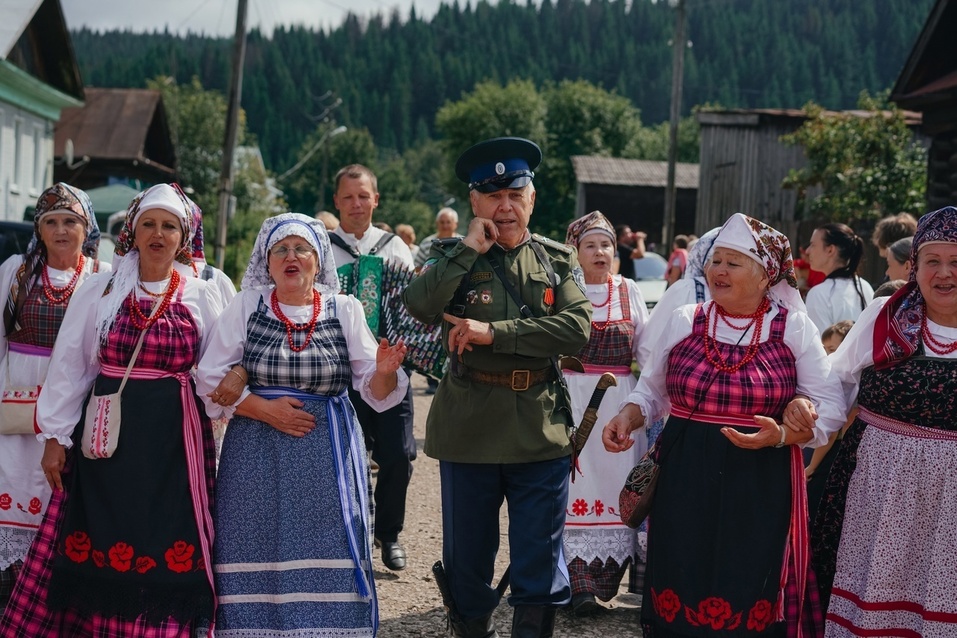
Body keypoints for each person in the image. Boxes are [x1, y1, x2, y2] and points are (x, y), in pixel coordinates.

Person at [603, 213, 846, 637]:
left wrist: (787, 431)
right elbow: (652, 393)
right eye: (715, 261)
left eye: (733, 263)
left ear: (764, 275)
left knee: (747, 572)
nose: (718, 271)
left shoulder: (793, 328)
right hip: (684, 471)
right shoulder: (684, 319)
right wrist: (628, 414)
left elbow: (830, 407)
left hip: (760, 476)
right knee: (681, 566)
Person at [0, 183, 222, 636]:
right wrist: (55, 439)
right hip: (107, 442)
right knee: (101, 530)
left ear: (184, 237)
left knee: (164, 535)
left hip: (173, 443)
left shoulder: (203, 295)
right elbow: (71, 367)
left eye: (169, 226)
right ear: (132, 232)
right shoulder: (101, 290)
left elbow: (218, 370)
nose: (158, 234)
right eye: (148, 225)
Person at [403, 136, 591, 638]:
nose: (505, 206)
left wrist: (495, 333)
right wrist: (468, 250)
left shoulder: (557, 259)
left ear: (532, 198)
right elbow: (418, 306)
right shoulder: (454, 256)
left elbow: (577, 329)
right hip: (469, 429)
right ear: (474, 202)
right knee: (467, 562)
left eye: (516, 193)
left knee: (538, 562)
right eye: (493, 195)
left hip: (539, 428)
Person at [196, 213, 408, 636]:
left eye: (301, 249)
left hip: (324, 451)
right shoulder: (247, 305)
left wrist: (384, 370)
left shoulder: (344, 308)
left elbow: (376, 390)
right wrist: (262, 408)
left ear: (318, 259)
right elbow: (208, 377)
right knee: (255, 536)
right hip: (256, 448)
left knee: (325, 540)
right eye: (281, 250)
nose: (291, 257)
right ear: (267, 261)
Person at [811, 206, 957, 635]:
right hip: (876, 493)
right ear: (915, 266)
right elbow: (836, 384)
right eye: (933, 261)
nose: (944, 273)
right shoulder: (885, 316)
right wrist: (800, 427)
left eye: (956, 262)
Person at [0, 184, 109, 612]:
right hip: (15, 415)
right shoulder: (15, 272)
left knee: (60, 506)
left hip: (74, 411)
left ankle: (52, 611)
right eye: (51, 222)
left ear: (87, 229)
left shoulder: (103, 278)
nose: (61, 230)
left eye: (71, 221)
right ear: (39, 230)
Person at [561, 211, 648, 616]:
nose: (600, 252)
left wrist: (649, 403)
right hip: (571, 403)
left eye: (607, 244)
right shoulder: (560, 288)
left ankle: (607, 583)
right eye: (591, 245)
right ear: (575, 252)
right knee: (572, 490)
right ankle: (575, 586)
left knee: (618, 491)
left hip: (618, 407)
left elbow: (647, 353)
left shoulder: (628, 290)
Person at [330, 164, 416, 572]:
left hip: (391, 370)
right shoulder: (323, 248)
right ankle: (353, 535)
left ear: (375, 200)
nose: (356, 204)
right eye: (347, 197)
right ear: (336, 202)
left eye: (363, 196)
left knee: (398, 455)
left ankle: (390, 534)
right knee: (347, 457)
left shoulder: (396, 248)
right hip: (342, 372)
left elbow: (413, 308)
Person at [803, 223, 874, 334]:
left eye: (813, 245)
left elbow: (820, 347)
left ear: (830, 250)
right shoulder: (865, 286)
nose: (807, 251)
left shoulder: (818, 294)